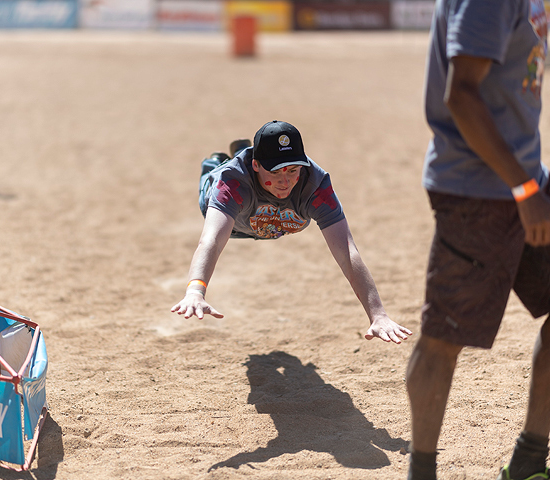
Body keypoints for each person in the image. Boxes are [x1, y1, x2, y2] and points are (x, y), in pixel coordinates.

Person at [405, 1, 550, 479]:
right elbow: (460, 93)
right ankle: (421, 472)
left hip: (526, 180)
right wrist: (524, 188)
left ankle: (530, 463)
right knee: (444, 338)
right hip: (479, 190)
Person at [171, 120, 412, 345]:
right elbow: (211, 240)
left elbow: (347, 251)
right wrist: (195, 290)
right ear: (256, 165)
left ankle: (247, 155)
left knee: (289, 208)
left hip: (277, 224)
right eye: (275, 173)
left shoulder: (316, 184)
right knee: (212, 191)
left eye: (292, 170)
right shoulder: (233, 182)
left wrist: (378, 314)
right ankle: (218, 162)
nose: (285, 182)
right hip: (236, 223)